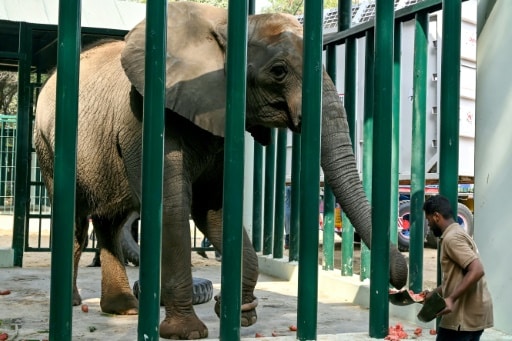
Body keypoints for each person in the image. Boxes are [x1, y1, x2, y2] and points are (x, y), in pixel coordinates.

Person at [422, 195, 493, 341]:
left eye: (428, 220)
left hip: (462, 317)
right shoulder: (459, 232)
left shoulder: (452, 238)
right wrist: (434, 293)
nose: (428, 225)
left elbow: (477, 269)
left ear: (436, 216)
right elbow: (457, 276)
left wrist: (451, 299)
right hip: (474, 314)